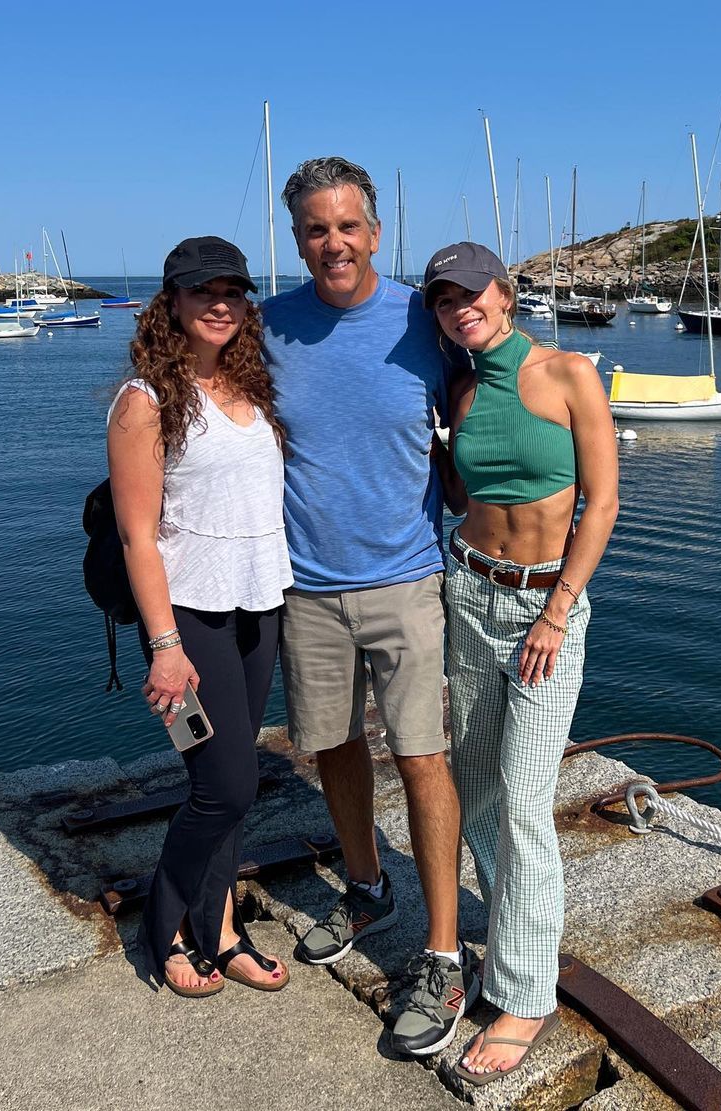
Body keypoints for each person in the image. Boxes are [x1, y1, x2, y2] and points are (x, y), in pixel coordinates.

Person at [262, 157, 476, 1056]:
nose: (334, 243)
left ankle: (442, 953)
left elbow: (497, 390)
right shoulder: (266, 327)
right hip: (306, 586)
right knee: (333, 744)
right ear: (297, 239)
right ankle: (365, 886)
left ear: (376, 233)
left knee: (423, 757)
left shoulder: (425, 321)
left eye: (347, 226)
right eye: (316, 229)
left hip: (407, 578)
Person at [422, 242, 618, 1085]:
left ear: (504, 294)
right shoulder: (462, 390)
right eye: (444, 300)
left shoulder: (570, 374)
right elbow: (462, 495)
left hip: (545, 610)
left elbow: (602, 502)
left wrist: (558, 609)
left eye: (472, 292)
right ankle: (510, 937)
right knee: (477, 789)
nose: (460, 307)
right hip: (470, 591)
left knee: (527, 800)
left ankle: (526, 992)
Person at [108, 236, 293, 999]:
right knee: (224, 784)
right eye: (202, 291)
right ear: (173, 302)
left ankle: (220, 927)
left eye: (232, 291)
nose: (220, 303)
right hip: (186, 626)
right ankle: (166, 924)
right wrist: (164, 646)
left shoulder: (254, 387)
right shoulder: (144, 401)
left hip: (258, 610)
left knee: (233, 776)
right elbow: (136, 536)